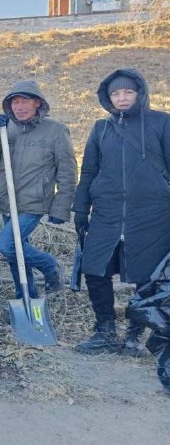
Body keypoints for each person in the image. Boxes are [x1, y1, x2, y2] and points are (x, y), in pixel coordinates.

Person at [73, 69, 170, 356]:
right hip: (107, 211)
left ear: (140, 93)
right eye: (116, 93)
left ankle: (134, 337)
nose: (122, 97)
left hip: (153, 213)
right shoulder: (100, 129)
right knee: (94, 268)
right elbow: (89, 170)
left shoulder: (162, 123)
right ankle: (105, 331)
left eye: (127, 92)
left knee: (147, 275)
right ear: (108, 98)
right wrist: (80, 208)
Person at [0, 80, 77, 299]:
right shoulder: (6, 128)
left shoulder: (56, 131)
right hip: (8, 200)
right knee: (17, 250)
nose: (19, 106)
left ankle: (51, 266)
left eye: (25, 101)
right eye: (15, 102)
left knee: (6, 245)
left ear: (37, 103)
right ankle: (26, 295)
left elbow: (67, 172)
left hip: (34, 202)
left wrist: (61, 208)